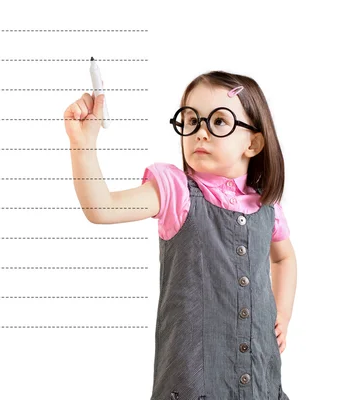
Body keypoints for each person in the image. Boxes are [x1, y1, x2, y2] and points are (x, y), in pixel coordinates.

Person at [63, 70, 297, 400]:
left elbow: (284, 257)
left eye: (218, 122)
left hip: (260, 380)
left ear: (253, 142)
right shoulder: (176, 192)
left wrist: (282, 314)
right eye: (190, 121)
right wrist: (82, 145)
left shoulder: (266, 206)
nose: (200, 133)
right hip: (193, 385)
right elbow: (102, 208)